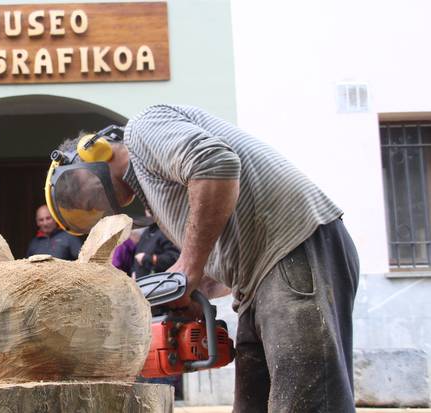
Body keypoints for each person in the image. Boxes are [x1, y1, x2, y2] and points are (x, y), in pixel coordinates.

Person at [45, 105, 359, 412]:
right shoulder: (158, 197)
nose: (95, 206)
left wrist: (188, 268)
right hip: (257, 282)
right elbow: (215, 254)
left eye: (88, 196)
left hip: (293, 245)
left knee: (309, 400)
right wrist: (189, 295)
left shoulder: (143, 130)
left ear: (93, 151)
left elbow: (216, 164)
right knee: (254, 404)